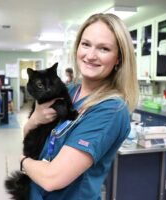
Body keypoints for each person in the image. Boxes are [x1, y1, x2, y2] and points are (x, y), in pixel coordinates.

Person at [20, 13, 139, 199]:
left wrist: (23, 163)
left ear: (118, 58)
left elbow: (53, 178)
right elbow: (30, 134)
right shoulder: (69, 91)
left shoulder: (111, 110)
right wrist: (34, 119)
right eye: (86, 44)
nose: (90, 55)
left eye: (104, 49)